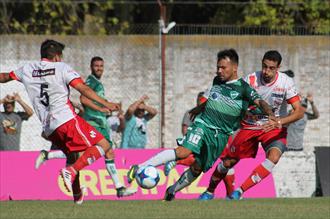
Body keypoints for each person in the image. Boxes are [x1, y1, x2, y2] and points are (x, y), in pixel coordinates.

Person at [126, 49, 275, 201]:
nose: (219, 71)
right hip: (204, 124)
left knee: (198, 168)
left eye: (223, 67)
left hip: (221, 135)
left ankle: (172, 191)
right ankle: (141, 166)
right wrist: (199, 109)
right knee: (184, 151)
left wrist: (270, 114)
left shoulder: (244, 88)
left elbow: (261, 102)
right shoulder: (217, 80)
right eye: (218, 67)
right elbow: (214, 100)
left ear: (235, 68)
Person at [0, 39, 129, 204]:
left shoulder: (27, 69)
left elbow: (4, 77)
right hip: (66, 120)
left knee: (73, 156)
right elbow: (83, 89)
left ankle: (77, 197)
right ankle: (72, 171)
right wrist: (107, 104)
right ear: (56, 57)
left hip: (50, 129)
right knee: (104, 146)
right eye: (60, 56)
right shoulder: (62, 68)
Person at [198, 50, 305, 200]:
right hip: (250, 126)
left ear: (278, 67)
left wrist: (279, 122)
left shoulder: (286, 82)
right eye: (264, 66)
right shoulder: (251, 80)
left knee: (273, 157)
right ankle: (209, 191)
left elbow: (299, 111)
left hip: (272, 127)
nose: (266, 71)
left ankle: (239, 192)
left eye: (271, 68)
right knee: (228, 162)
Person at [34, 55, 136, 199]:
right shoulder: (92, 81)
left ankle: (118, 188)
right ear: (91, 67)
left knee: (100, 153)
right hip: (93, 123)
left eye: (101, 66)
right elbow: (83, 98)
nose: (99, 68)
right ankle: (53, 158)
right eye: (96, 66)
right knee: (102, 149)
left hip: (100, 123)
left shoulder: (97, 82)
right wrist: (101, 109)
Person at [163, 91, 236, 199]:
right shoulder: (213, 95)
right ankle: (226, 195)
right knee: (222, 164)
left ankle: (172, 189)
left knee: (204, 167)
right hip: (209, 136)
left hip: (220, 137)